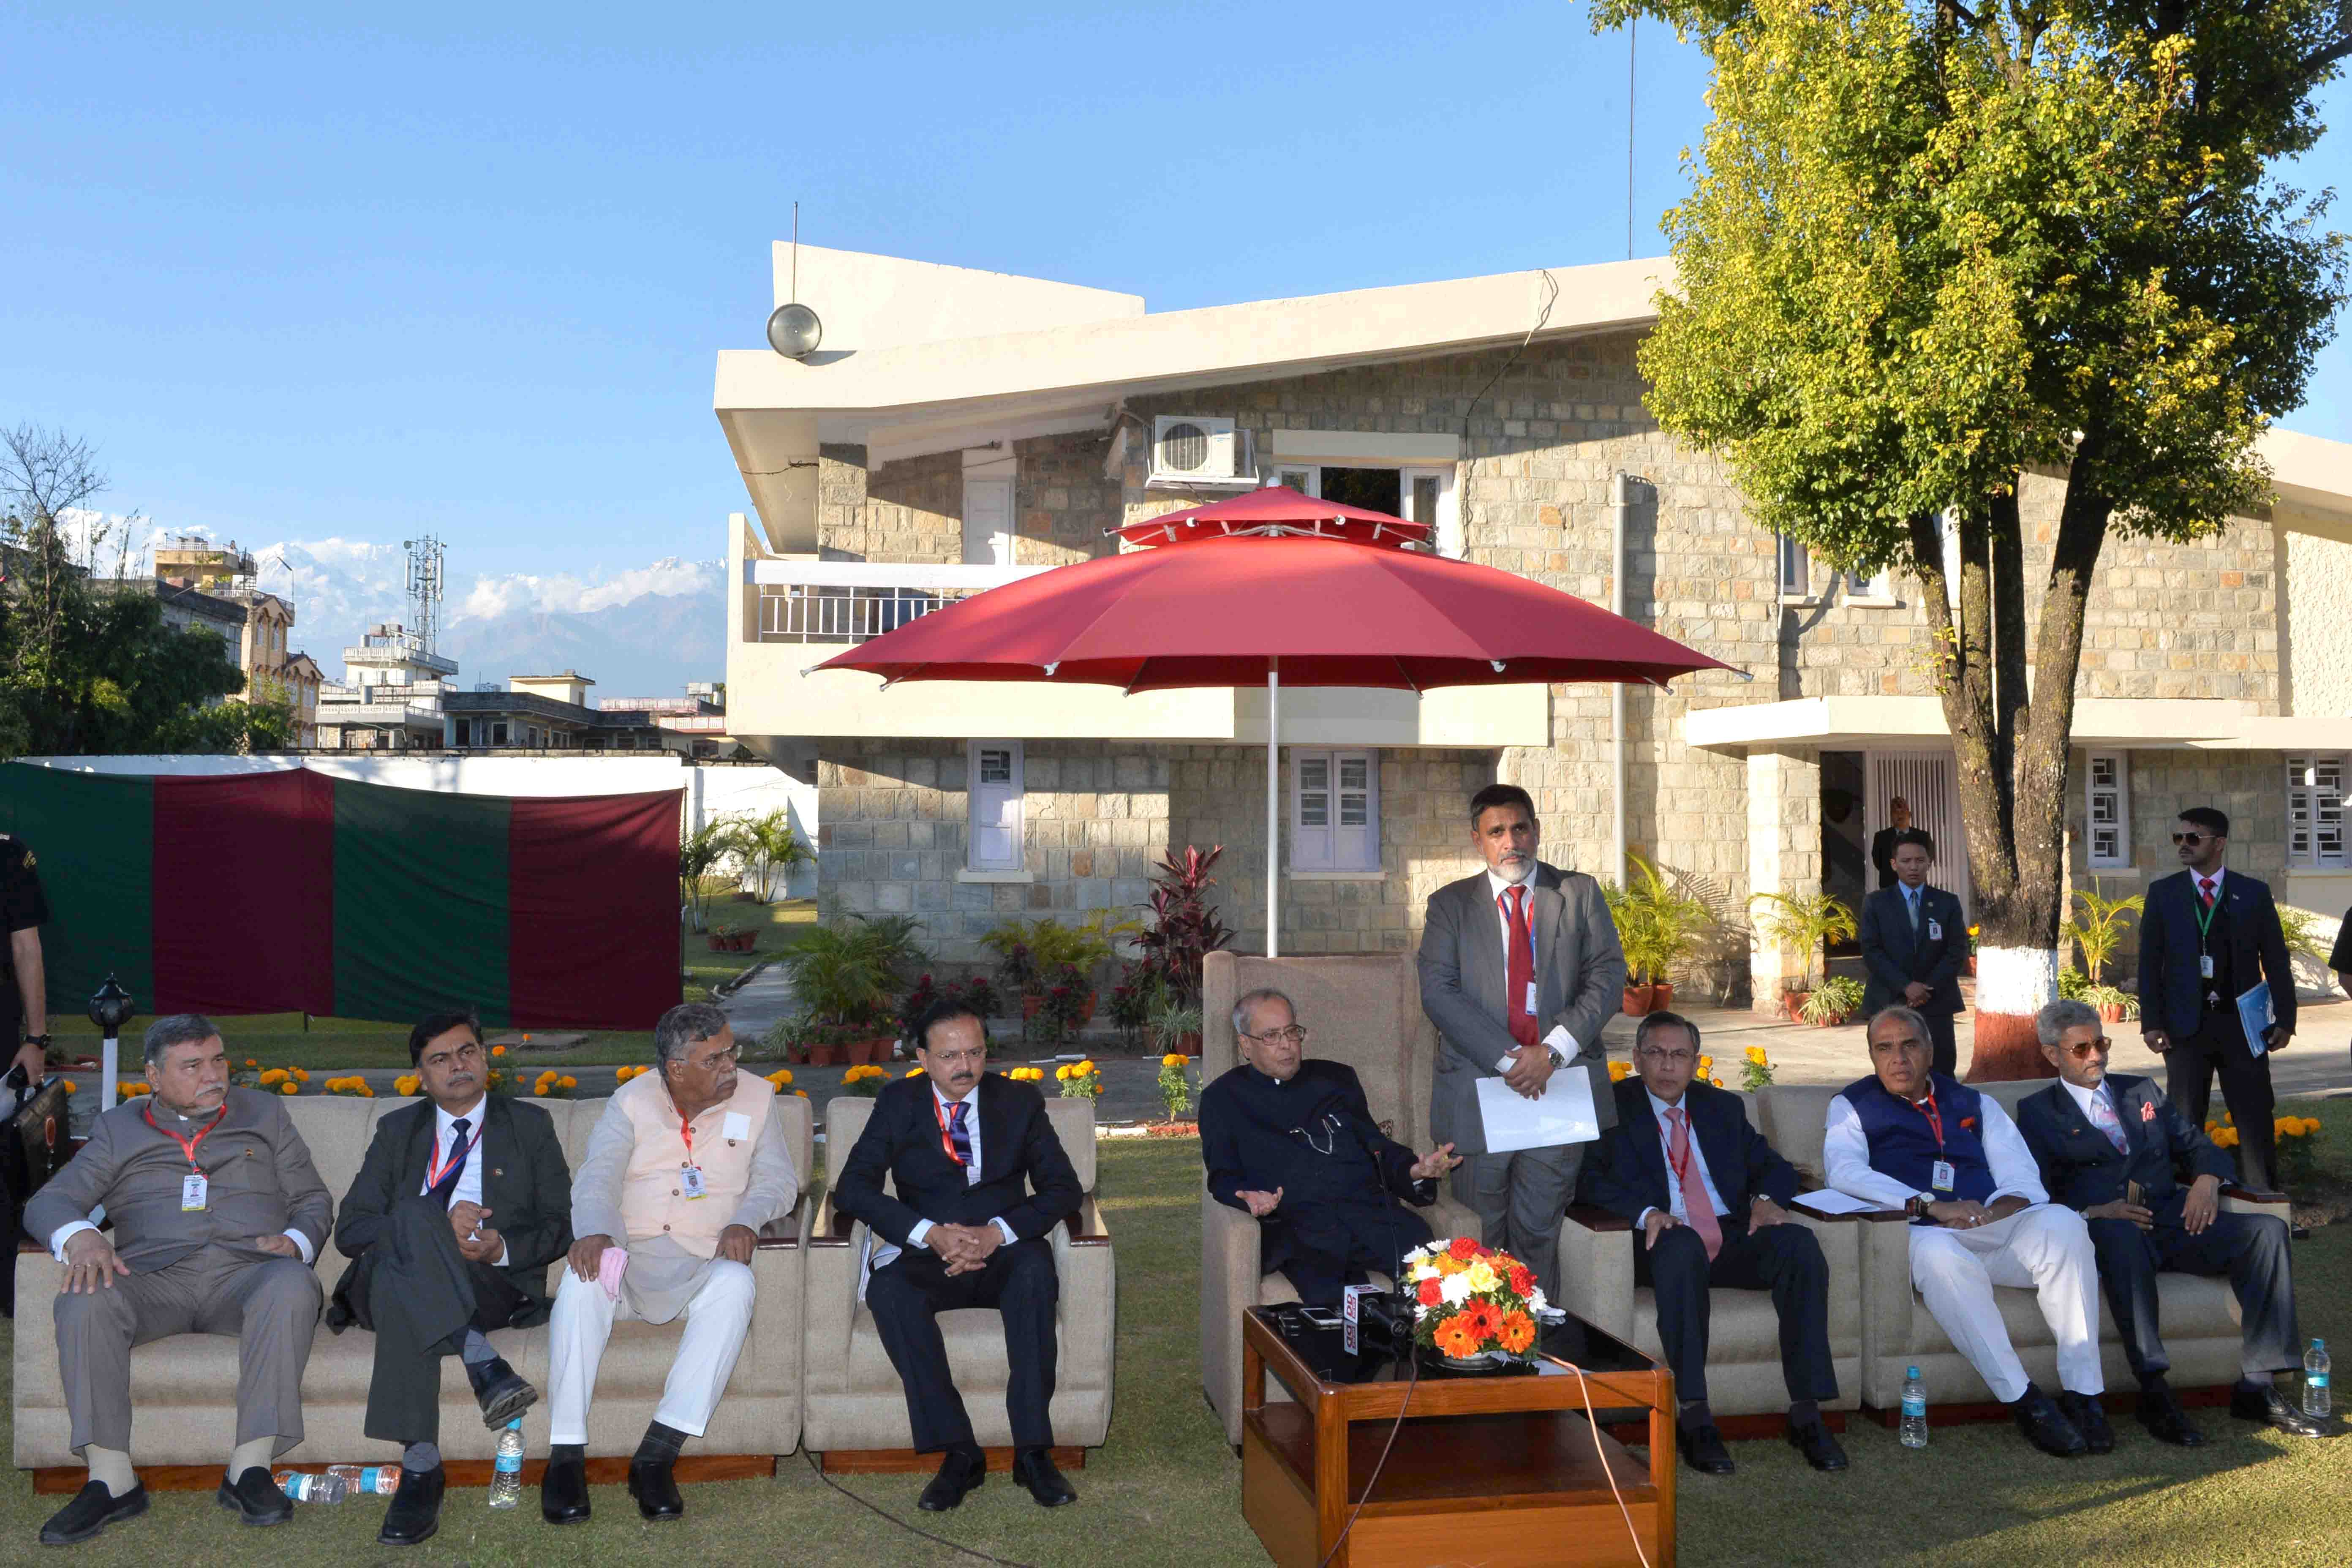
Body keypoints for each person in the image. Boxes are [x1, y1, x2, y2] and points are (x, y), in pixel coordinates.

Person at [25, 1015, 332, 1546]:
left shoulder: (265, 1112)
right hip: (152, 1280)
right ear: (153, 1076)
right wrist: (83, 1238)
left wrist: (297, 1243)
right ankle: (112, 1479)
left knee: (292, 1283)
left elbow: (313, 1198)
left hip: (248, 1275)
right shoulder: (120, 1127)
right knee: (84, 1298)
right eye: (192, 1065)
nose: (212, 1074)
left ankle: (250, 1469)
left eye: (218, 1060)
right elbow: (48, 1202)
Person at [2015, 999, 2321, 1444]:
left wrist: (2207, 1180)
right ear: (2052, 1054)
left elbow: (2198, 1146)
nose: (2096, 1055)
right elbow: (2039, 1190)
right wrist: (2096, 1212)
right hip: (2107, 1230)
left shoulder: (2142, 1091)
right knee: (2121, 1235)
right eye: (2081, 1049)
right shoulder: (2038, 1111)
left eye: (2101, 1043)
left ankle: (2257, 1385)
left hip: (2174, 1219)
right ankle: (2155, 1391)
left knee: (2266, 1231)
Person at [540, 1002, 795, 1526]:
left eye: (732, 1051)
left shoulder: (757, 1097)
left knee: (736, 1286)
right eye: (716, 1057)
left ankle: (657, 1455)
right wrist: (595, 1234)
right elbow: (597, 1179)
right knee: (583, 1280)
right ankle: (565, 1455)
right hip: (628, 1258)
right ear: (678, 1069)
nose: (732, 1065)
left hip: (705, 1258)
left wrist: (747, 1218)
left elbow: (778, 1181)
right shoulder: (631, 1101)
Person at [327, 1010, 575, 1546]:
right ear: (421, 1075)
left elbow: (561, 1226)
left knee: (409, 1269)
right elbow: (351, 1231)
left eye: (466, 1052)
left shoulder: (530, 1125)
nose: (457, 1065)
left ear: (485, 1058)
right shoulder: (397, 1130)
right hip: (383, 1281)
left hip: (485, 1283)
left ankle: (421, 1470)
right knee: (417, 1215)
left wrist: (501, 1247)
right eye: (440, 1059)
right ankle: (479, 1358)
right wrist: (434, 1224)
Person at [834, 997, 1084, 1514]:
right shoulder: (898, 1103)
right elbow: (853, 1188)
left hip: (1007, 1251)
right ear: (922, 1058)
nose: (964, 1067)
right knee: (889, 1290)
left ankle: (1033, 1452)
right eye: (949, 1056)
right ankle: (960, 1452)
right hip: (931, 1253)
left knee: (1037, 1272)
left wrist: (998, 1232)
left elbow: (1063, 1188)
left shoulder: (1019, 1100)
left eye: (974, 1052)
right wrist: (928, 1233)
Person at [1824, 1006, 2107, 1458]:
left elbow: (2021, 1175)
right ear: (1873, 1057)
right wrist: (1933, 1205)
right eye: (1885, 1049)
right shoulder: (1852, 1105)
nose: (1898, 1058)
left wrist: (1992, 1213)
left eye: (1909, 1045)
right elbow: (1845, 1173)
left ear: (1930, 1051)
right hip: (1925, 1233)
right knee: (1938, 1254)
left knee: (2065, 1224)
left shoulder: (1974, 1102)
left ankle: (2085, 1394)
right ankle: (2025, 1400)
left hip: (1991, 1227)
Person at [1579, 1011, 1845, 1475]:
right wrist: (1646, 1213)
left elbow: (1775, 1166)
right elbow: (1587, 1179)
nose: (1667, 1066)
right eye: (1656, 1054)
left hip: (1727, 1234)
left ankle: (1807, 1409)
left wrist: (1765, 1199)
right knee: (1680, 1247)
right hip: (1659, 1243)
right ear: (1637, 1058)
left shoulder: (1721, 1108)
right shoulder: (1612, 1107)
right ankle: (1696, 1414)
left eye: (1679, 1055)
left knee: (1799, 1245)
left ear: (1695, 1062)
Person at [1418, 782, 1625, 1304]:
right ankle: (1475, 1355)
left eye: (1520, 828)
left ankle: (1537, 1356)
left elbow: (1607, 976)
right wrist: (1513, 1059)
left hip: (1559, 1089)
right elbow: (1439, 994)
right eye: (1497, 832)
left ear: (1535, 830)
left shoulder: (1578, 893)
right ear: (1478, 840)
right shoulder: (1450, 906)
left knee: (1539, 1231)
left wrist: (1551, 1052)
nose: (1511, 840)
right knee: (1477, 1238)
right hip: (1481, 1091)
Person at [1199, 987, 1460, 1307]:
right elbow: (1223, 1175)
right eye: (1271, 1036)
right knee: (1336, 1323)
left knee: (1444, 1288)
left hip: (1371, 1216)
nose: (1286, 1045)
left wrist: (1414, 1170)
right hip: (1301, 1233)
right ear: (1245, 1045)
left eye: (1291, 1032)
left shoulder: (1336, 1079)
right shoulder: (1222, 1099)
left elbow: (1375, 1146)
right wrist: (1247, 1195)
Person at [2138, 807, 2295, 1190]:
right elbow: (2150, 962)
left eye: (2194, 838)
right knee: (2185, 1118)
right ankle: (2185, 1204)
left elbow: (2275, 959)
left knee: (2255, 1115)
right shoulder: (2164, 893)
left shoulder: (2253, 893)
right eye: (2179, 838)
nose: (2184, 845)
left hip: (2243, 1027)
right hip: (2184, 1028)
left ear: (2219, 843)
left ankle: (2265, 1199)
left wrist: (2286, 1020)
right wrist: (2152, 1022)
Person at [1858, 831, 1967, 1076]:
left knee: (1941, 1067)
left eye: (1920, 861)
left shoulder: (1947, 902)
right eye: (1906, 861)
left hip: (1936, 1000)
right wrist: (1906, 986)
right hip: (1890, 999)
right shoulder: (1876, 903)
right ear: (1894, 864)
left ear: (1929, 862)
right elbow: (1871, 951)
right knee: (1894, 1070)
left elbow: (1956, 950)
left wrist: (1926, 988)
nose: (1914, 867)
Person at [1869, 798, 1916, 890]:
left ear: (1909, 814)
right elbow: (1879, 863)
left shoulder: (1922, 836)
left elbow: (1927, 861)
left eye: (1903, 811)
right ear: (1891, 816)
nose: (1900, 815)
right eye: (1896, 812)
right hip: (1889, 890)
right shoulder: (1881, 837)